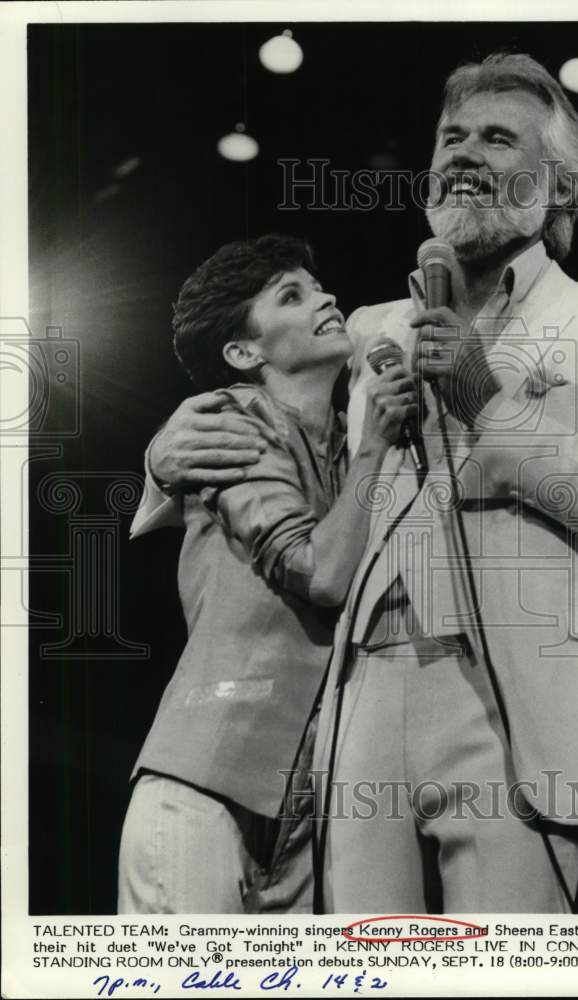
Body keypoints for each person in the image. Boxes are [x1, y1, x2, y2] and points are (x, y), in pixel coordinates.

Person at [136, 52, 578, 913]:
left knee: (504, 973)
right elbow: (267, 403)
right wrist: (163, 452)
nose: (464, 153)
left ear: (558, 185)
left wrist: (487, 400)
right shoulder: (366, 329)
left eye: (498, 138)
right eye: (451, 137)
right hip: (358, 693)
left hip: (517, 702)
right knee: (368, 966)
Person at [119, 233, 416, 913]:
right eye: (292, 295)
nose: (324, 297)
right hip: (207, 780)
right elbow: (322, 575)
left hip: (306, 814)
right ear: (244, 352)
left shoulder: (343, 451)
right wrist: (377, 447)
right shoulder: (229, 421)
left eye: (316, 286)